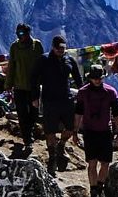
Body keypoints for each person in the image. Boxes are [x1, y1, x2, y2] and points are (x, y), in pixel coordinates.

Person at [73, 64, 118, 197]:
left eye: (99, 78)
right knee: (92, 163)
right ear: (90, 78)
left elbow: (116, 114)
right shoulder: (83, 93)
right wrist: (75, 132)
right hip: (89, 131)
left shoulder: (110, 92)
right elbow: (78, 113)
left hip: (105, 131)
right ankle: (94, 192)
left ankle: (100, 189)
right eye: (94, 78)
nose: (96, 81)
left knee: (106, 163)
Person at [35, 35, 83, 171]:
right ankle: (52, 158)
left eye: (63, 48)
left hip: (66, 99)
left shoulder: (69, 60)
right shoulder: (44, 60)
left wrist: (84, 93)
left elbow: (78, 79)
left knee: (70, 127)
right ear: (53, 47)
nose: (60, 50)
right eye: (58, 48)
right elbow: (34, 79)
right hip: (49, 100)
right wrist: (34, 97)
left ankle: (61, 145)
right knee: (49, 130)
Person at [6, 23, 44, 147]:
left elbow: (42, 64)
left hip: (34, 86)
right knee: (22, 113)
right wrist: (8, 84)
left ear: (28, 33)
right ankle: (27, 138)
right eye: (17, 33)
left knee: (34, 113)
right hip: (19, 86)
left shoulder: (36, 45)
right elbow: (11, 65)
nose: (19, 36)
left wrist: (44, 80)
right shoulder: (15, 47)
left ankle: (30, 131)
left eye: (21, 33)